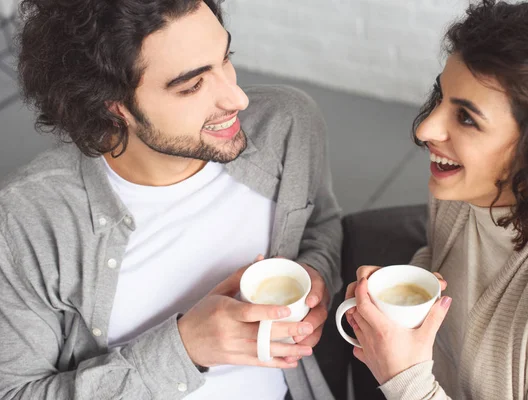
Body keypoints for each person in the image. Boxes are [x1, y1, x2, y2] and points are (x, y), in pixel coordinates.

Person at [0, 1, 342, 399]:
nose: (237, 99)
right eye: (192, 85)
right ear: (115, 106)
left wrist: (316, 274)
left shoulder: (286, 125)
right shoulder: (28, 220)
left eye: (225, 58)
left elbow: (322, 223)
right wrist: (186, 348)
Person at [344, 0, 528, 399]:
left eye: (466, 118)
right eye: (441, 97)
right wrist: (406, 291)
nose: (425, 129)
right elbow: (446, 261)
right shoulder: (463, 189)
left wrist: (404, 379)